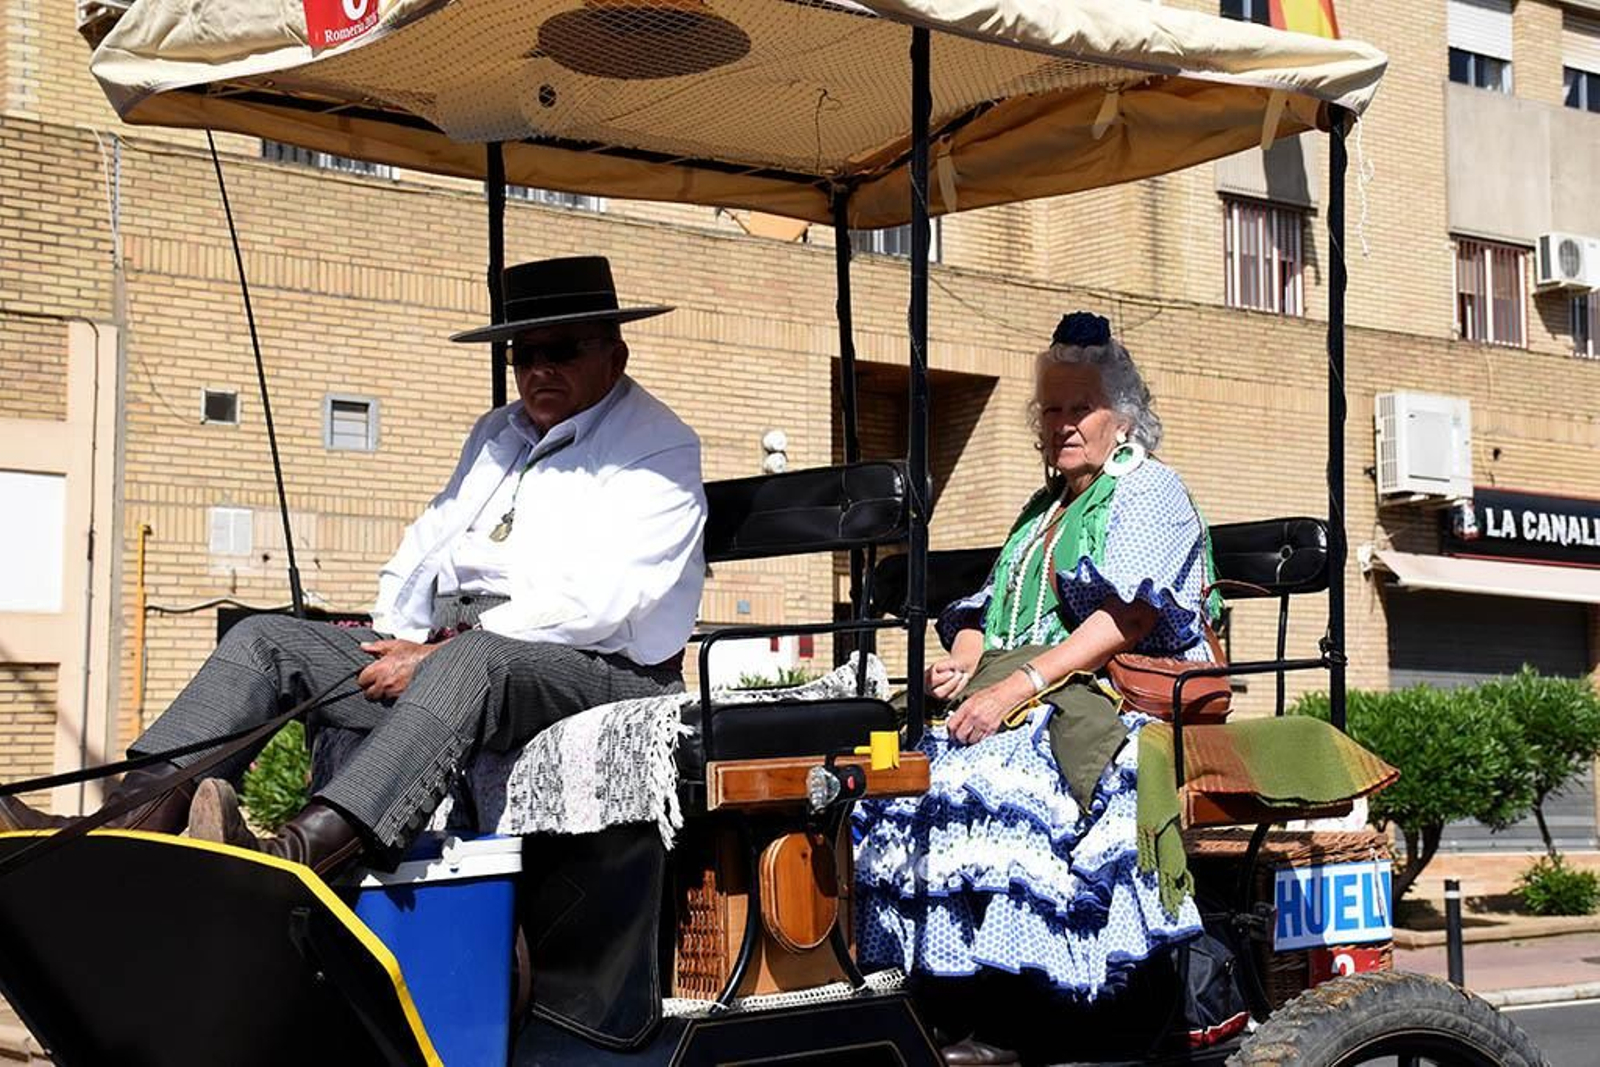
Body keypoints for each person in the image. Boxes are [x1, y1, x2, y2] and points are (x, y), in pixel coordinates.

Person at [0, 256, 707, 878]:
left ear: (614, 354)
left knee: (477, 660)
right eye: (523, 353)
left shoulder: (658, 446)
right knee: (265, 642)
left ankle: (296, 859)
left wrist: (437, 658)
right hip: (463, 645)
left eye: (561, 349)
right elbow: (425, 545)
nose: (537, 368)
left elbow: (601, 601)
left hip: (597, 666)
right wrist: (394, 638)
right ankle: (120, 826)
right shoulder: (498, 432)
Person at [853, 312, 1210, 1064]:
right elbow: (988, 611)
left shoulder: (1149, 489)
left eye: (1079, 407)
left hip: (1112, 688)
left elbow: (1128, 616)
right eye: (1050, 408)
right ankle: (925, 992)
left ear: (1123, 417)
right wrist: (960, 660)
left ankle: (1012, 1016)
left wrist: (1015, 687)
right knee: (891, 772)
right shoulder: (1041, 507)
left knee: (985, 779)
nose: (1062, 423)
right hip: (1028, 685)